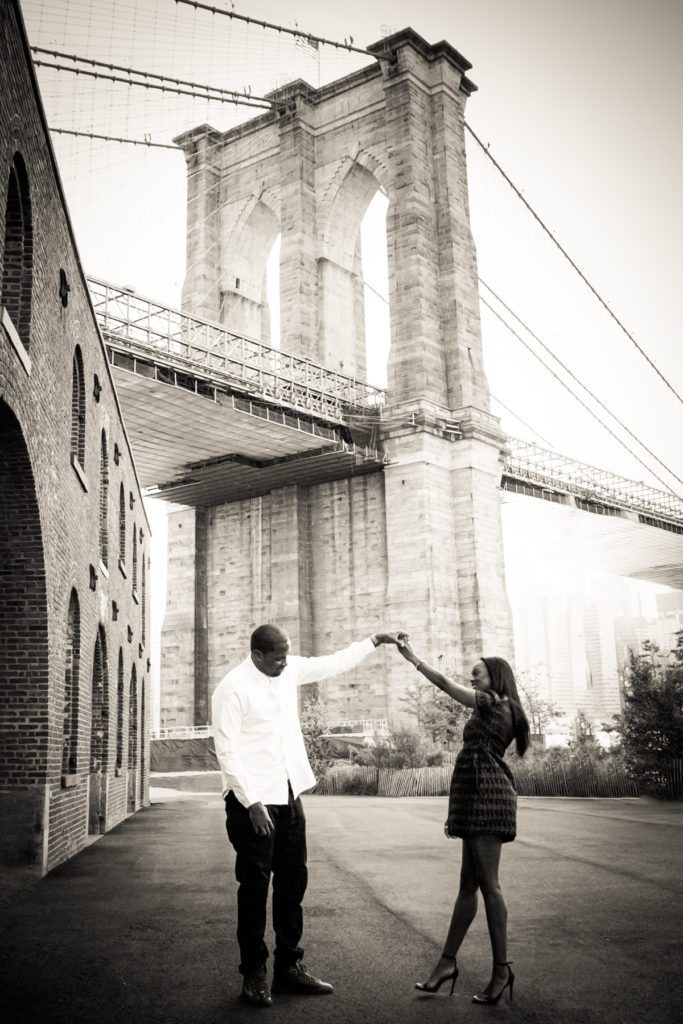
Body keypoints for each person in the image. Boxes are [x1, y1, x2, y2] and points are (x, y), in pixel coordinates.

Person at [212, 623, 404, 1008]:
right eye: (279, 657)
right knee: (253, 889)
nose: (286, 663)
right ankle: (254, 974)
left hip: (288, 794)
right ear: (257, 656)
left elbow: (332, 664)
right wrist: (251, 803)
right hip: (251, 803)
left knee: (292, 883)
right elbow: (227, 751)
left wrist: (372, 641)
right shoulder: (232, 689)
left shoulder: (289, 670)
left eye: (287, 655)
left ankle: (288, 968)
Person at [395, 640, 530, 1004]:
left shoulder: (493, 702)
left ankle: (501, 971)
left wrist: (414, 660)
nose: (472, 676)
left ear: (496, 676)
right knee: (468, 887)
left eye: (478, 672)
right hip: (481, 798)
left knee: (489, 887)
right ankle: (446, 964)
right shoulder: (505, 707)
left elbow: (444, 685)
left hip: (488, 799)